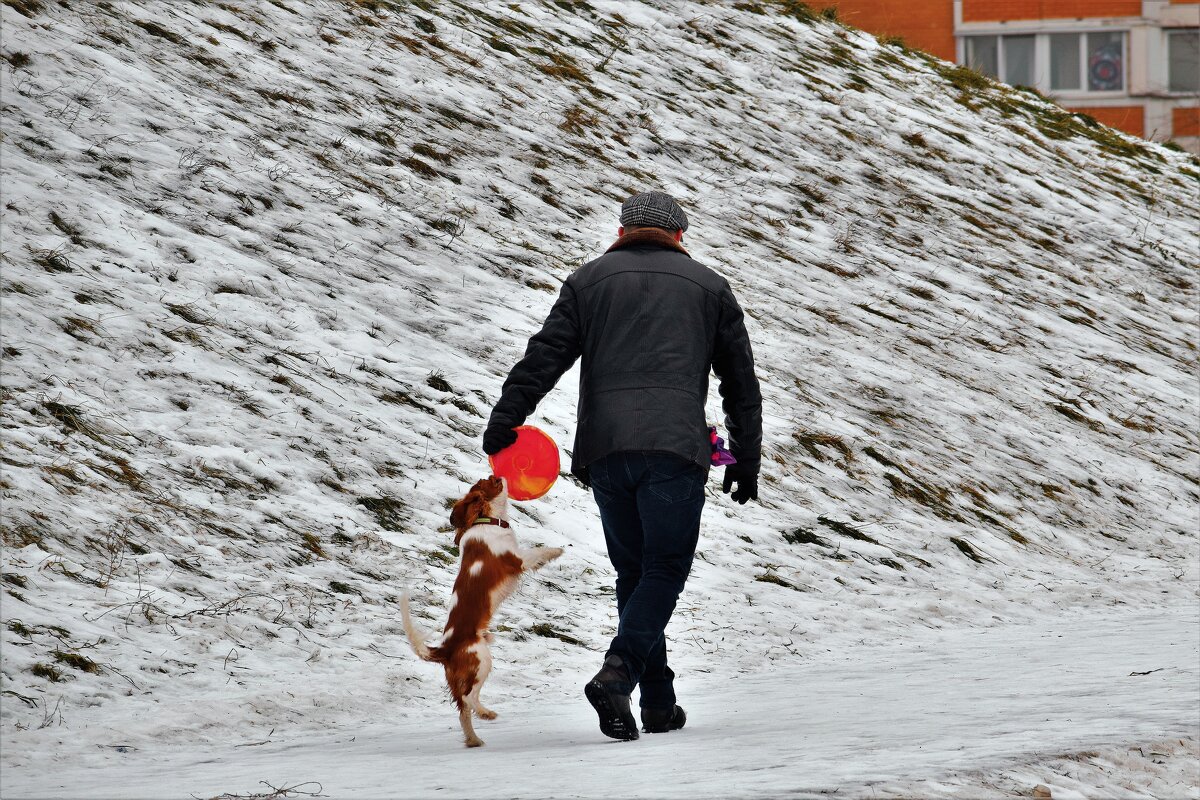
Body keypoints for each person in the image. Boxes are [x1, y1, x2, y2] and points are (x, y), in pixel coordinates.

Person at [482, 190, 762, 740]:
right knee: (664, 569)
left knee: (635, 574)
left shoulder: (588, 282)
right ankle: (618, 674)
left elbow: (544, 358)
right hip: (675, 450)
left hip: (606, 450)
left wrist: (506, 417)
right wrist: (744, 458)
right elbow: (740, 385)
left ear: (621, 230)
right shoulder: (711, 288)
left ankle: (658, 702)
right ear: (680, 234)